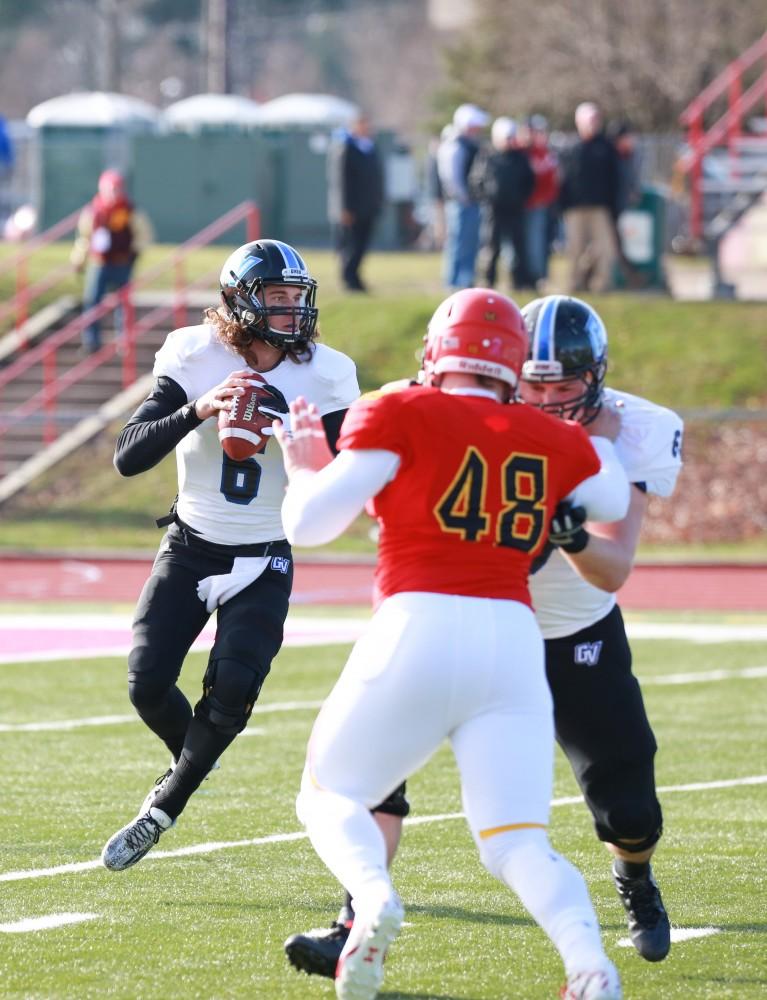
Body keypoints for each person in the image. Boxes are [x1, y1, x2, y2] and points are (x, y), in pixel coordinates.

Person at [283, 295, 679, 981]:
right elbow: (608, 497)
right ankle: (588, 966)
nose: (550, 396)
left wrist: (302, 462)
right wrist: (600, 445)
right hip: (512, 639)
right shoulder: (559, 439)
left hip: (422, 622)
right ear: (512, 363)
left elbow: (309, 525)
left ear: (436, 353)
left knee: (329, 794)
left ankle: (374, 900)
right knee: (517, 840)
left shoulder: (400, 407)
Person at [100, 239, 359, 872]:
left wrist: (289, 426)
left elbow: (344, 468)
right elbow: (129, 454)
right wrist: (200, 407)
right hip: (190, 543)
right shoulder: (195, 353)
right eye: (276, 297)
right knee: (146, 685)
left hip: (265, 552)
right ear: (240, 301)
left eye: (297, 297)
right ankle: (195, 756)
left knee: (234, 687)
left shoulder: (326, 372)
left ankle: (166, 804)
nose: (292, 310)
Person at [71, 169, 153, 353]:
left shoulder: (129, 210)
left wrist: (135, 253)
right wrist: (79, 260)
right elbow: (84, 238)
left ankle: (124, 342)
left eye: (116, 189)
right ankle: (91, 341)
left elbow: (143, 234)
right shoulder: (94, 211)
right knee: (92, 301)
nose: (113, 193)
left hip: (122, 261)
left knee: (123, 304)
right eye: (109, 189)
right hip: (99, 262)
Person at [559, 103, 620, 294]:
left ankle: (601, 285)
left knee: (605, 249)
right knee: (575, 249)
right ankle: (575, 284)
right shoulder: (570, 148)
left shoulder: (606, 148)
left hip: (600, 208)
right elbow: (563, 180)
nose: (594, 124)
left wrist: (615, 205)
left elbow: (615, 178)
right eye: (590, 120)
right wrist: (562, 206)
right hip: (575, 208)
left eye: (596, 120)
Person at [471, 116, 535, 291]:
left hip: (515, 209)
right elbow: (476, 181)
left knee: (518, 248)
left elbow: (529, 181)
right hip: (494, 210)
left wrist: (521, 199)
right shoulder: (487, 157)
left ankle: (520, 282)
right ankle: (488, 281)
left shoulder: (520, 158)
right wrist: (487, 198)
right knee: (491, 247)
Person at [327, 113, 384, 292]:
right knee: (350, 245)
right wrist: (344, 209)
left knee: (362, 245)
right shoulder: (346, 148)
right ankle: (348, 278)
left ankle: (356, 277)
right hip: (352, 209)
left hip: (367, 207)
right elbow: (341, 181)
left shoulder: (370, 148)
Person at [437, 103, 489, 290]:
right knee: (458, 243)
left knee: (470, 243)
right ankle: (454, 280)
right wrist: (463, 196)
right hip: (461, 203)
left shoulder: (468, 144)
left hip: (470, 202)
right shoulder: (455, 145)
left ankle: (466, 279)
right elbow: (451, 177)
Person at [523, 113, 560, 289]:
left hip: (546, 205)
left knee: (544, 242)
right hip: (530, 205)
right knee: (532, 242)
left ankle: (541, 274)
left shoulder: (547, 153)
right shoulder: (526, 153)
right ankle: (533, 275)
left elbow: (553, 179)